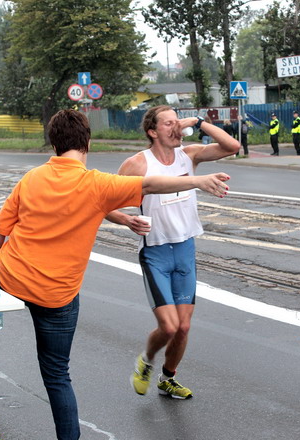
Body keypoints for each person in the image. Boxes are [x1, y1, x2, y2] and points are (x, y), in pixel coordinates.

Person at [0, 109, 229, 440]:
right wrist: (198, 181)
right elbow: (147, 185)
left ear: (53, 143)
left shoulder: (31, 178)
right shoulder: (99, 181)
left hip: (10, 278)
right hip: (62, 293)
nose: (174, 127)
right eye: (168, 122)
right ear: (88, 142)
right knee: (58, 375)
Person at [106, 105, 239, 400]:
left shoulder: (188, 155)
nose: (175, 127)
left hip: (185, 248)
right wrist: (127, 220)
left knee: (184, 327)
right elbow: (105, 203)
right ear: (153, 132)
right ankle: (147, 361)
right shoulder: (138, 165)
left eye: (177, 122)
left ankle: (168, 378)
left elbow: (233, 146)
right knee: (168, 327)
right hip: (156, 253)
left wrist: (200, 122)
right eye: (168, 124)